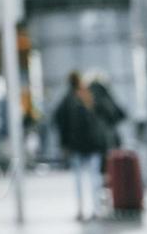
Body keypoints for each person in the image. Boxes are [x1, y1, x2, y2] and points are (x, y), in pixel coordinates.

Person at [53, 72, 107, 222]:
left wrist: (65, 144)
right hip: (94, 144)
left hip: (76, 146)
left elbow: (58, 120)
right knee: (94, 176)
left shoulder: (67, 100)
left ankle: (80, 209)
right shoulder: (88, 96)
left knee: (79, 179)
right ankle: (96, 209)